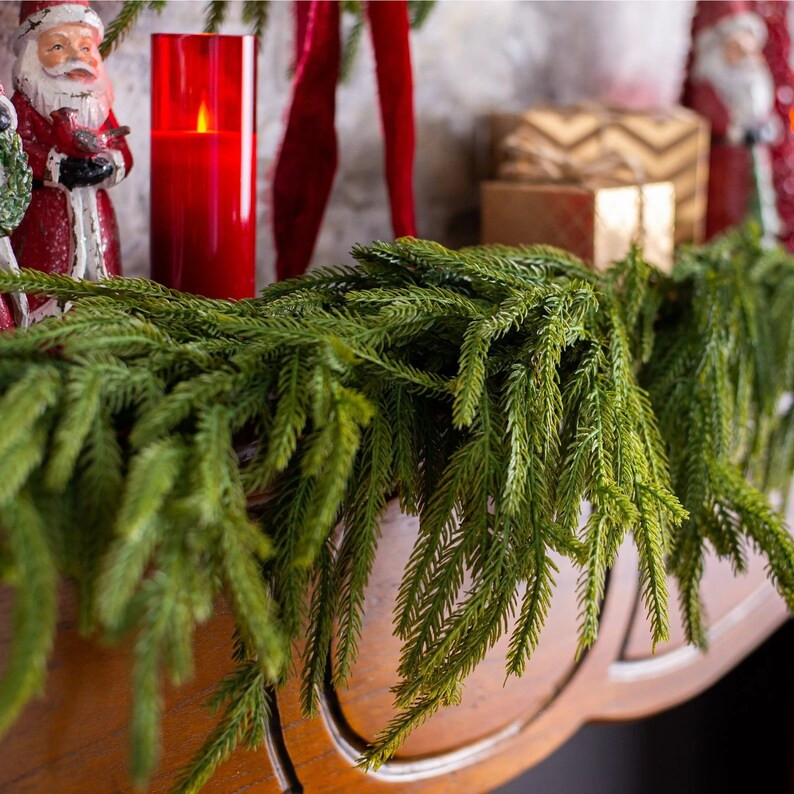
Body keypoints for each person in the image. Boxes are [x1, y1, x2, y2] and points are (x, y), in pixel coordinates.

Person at [9, 0, 132, 322]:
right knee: (46, 279)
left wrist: (109, 165)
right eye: (59, 46)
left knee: (105, 278)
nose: (77, 57)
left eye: (86, 47)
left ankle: (105, 326)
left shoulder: (99, 107)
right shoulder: (23, 106)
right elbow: (13, 149)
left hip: (98, 216)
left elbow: (122, 152)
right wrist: (56, 167)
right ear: (32, 55)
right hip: (47, 218)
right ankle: (42, 333)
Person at [685, 1, 781, 240]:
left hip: (751, 156)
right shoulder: (711, 79)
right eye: (736, 49)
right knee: (725, 209)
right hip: (722, 160)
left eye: (749, 51)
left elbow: (761, 111)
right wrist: (731, 129)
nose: (744, 58)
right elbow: (715, 118)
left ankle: (757, 245)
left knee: (754, 204)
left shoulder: (752, 81)